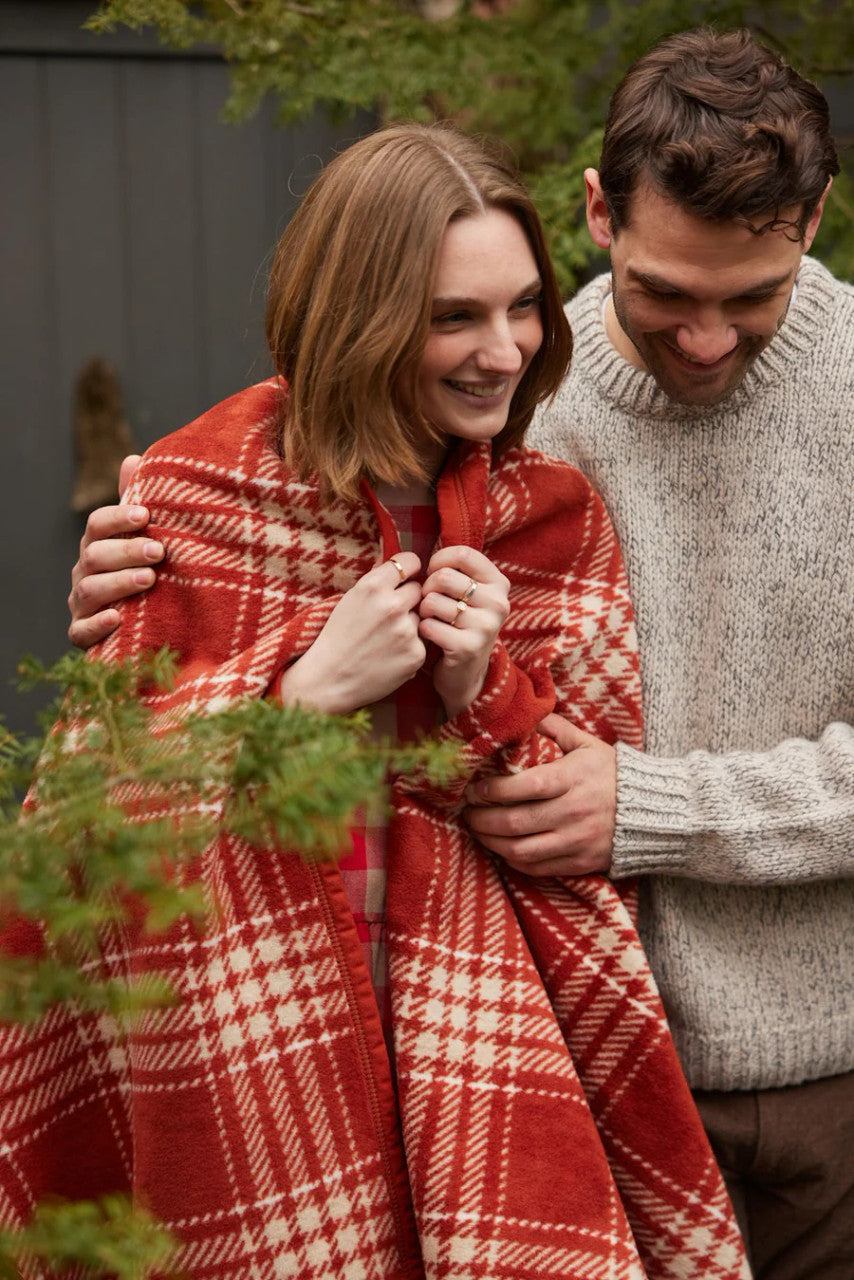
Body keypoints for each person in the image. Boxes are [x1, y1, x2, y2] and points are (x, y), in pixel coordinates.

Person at [69, 26, 854, 1280]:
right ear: (598, 213)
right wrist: (241, 656)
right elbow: (98, 817)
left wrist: (619, 788)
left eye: (746, 299)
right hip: (481, 1061)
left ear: (812, 222)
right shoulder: (497, 413)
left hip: (800, 1070)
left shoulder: (542, 491)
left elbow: (547, 751)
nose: (702, 340)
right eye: (664, 296)